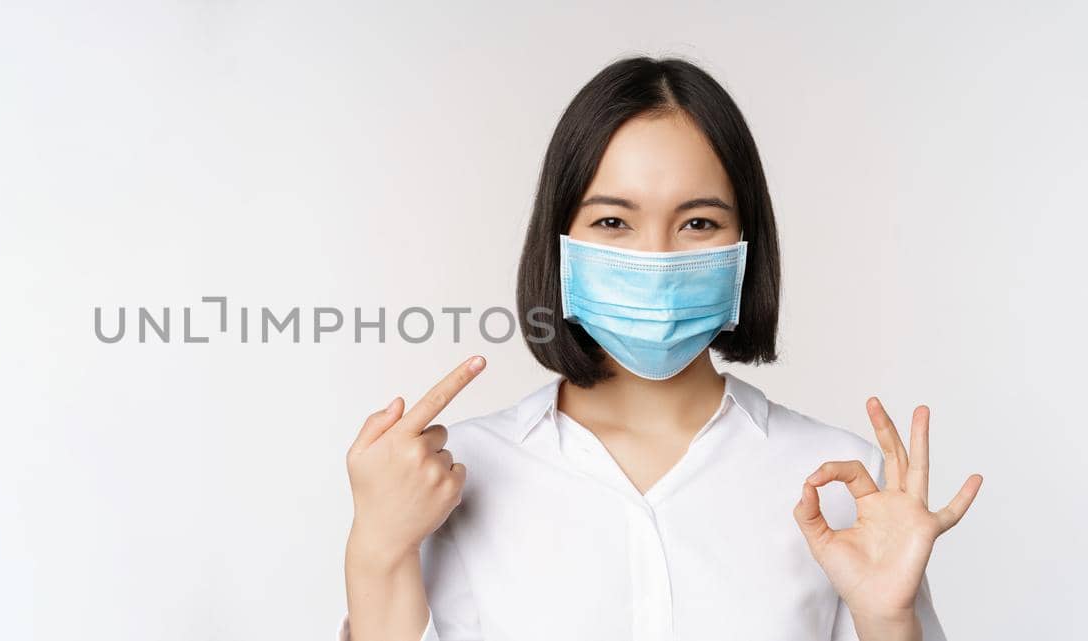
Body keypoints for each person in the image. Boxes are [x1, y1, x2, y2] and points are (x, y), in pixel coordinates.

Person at [340, 57, 982, 641]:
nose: (656, 258)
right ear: (560, 241)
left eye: (698, 222)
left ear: (745, 245)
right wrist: (376, 550)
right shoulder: (451, 475)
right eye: (613, 222)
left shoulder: (843, 479)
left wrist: (887, 620)